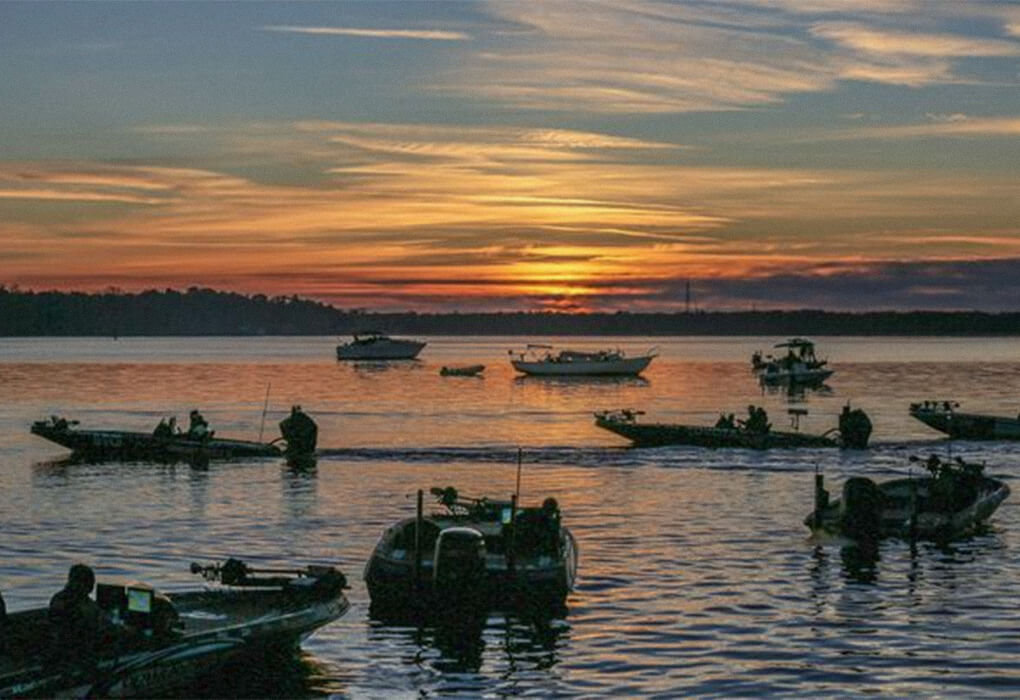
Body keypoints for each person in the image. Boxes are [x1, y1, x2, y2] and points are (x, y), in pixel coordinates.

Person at [48, 564, 106, 663]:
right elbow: (96, 629)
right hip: (79, 651)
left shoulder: (58, 597)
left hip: (59, 646)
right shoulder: (82, 606)